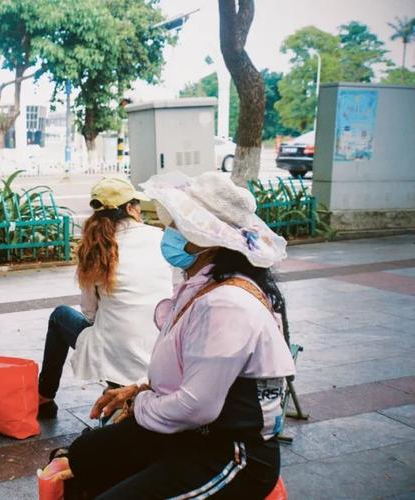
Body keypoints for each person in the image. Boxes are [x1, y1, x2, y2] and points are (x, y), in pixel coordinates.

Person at [58, 171, 296, 499]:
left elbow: (197, 406)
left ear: (201, 238)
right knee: (85, 454)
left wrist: (141, 402)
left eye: (176, 225)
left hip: (229, 453)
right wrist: (138, 389)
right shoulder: (202, 283)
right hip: (189, 431)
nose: (168, 232)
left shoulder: (228, 303)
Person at [38, 177, 174, 418]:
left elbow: (89, 312)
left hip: (116, 352)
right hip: (164, 353)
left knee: (60, 316)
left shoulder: (95, 251)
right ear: (131, 208)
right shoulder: (160, 238)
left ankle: (44, 399)